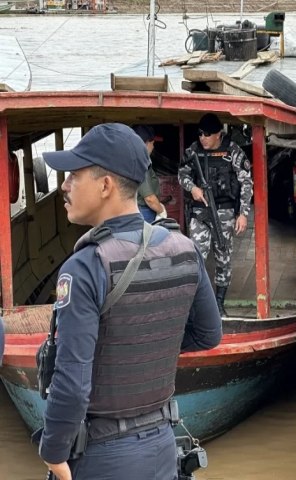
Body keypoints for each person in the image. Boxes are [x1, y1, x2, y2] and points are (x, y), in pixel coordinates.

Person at [38, 123, 222, 480]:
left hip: (102, 456)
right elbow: (208, 335)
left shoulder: (86, 266)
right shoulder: (185, 249)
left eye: (74, 175)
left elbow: (72, 383)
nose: (64, 185)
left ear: (105, 185)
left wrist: (53, 452)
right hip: (163, 446)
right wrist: (142, 344)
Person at [178, 113, 253, 317]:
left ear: (219, 134)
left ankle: (219, 304)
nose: (203, 138)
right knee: (197, 258)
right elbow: (182, 174)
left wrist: (243, 214)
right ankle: (197, 304)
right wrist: (192, 187)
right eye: (200, 133)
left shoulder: (233, 152)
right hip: (200, 212)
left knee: (223, 257)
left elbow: (246, 182)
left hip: (224, 212)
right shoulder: (193, 151)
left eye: (207, 134)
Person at [132, 125, 167, 223]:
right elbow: (149, 198)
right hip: (143, 212)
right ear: (146, 143)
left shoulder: (130, 160)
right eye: (153, 143)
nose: (153, 146)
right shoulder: (140, 163)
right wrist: (161, 211)